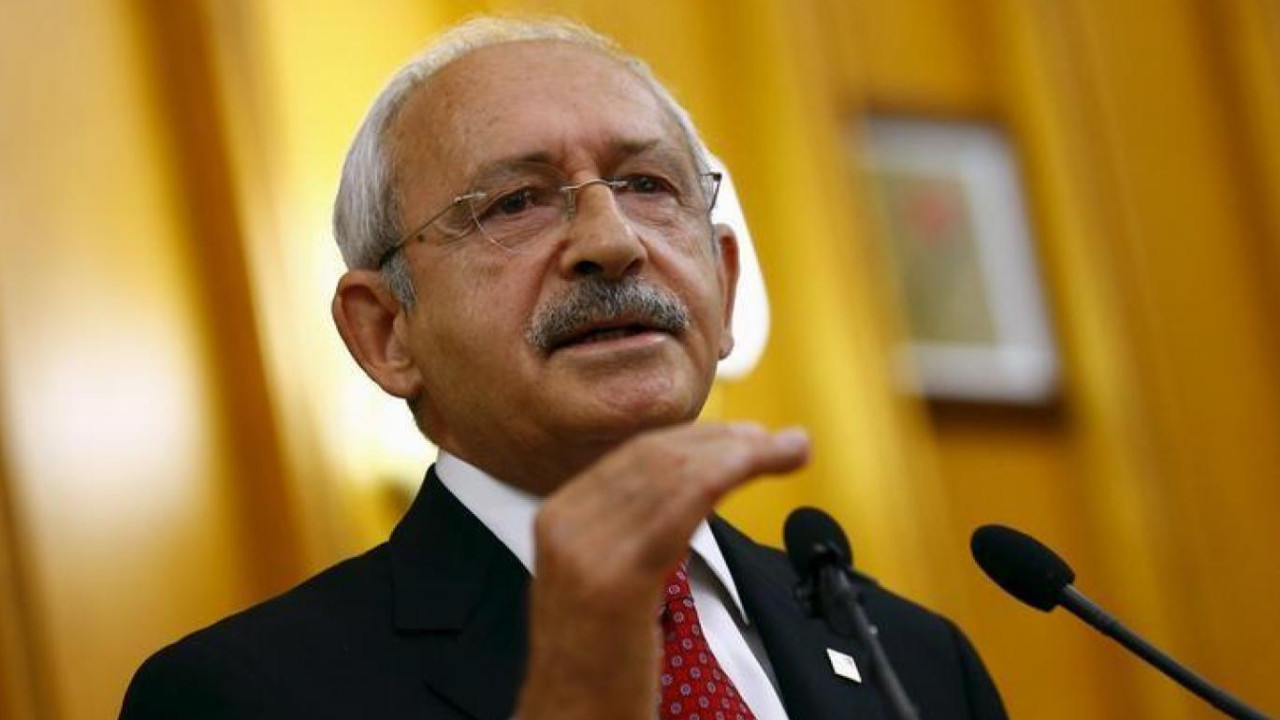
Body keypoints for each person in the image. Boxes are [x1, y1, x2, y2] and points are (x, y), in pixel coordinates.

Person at [120, 17, 1007, 720]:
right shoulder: (242, 696)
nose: (612, 243)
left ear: (726, 283)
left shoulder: (920, 661)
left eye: (648, 186)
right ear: (387, 332)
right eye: (516, 202)